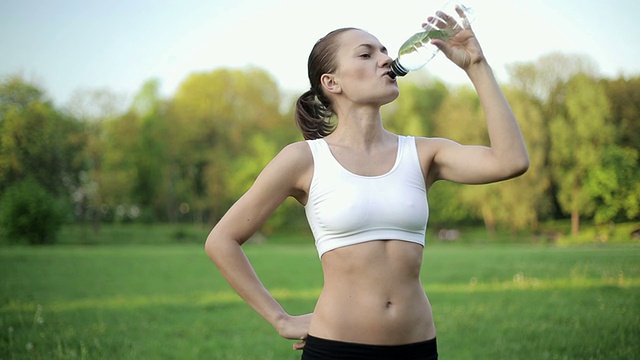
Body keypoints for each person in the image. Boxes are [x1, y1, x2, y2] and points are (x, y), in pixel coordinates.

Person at [205, 9, 529, 359]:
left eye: (384, 51)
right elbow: (222, 240)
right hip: (335, 349)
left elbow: (510, 161)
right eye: (366, 53)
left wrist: (476, 65)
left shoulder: (422, 153)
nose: (386, 59)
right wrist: (280, 319)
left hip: (417, 348)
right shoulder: (304, 159)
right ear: (332, 82)